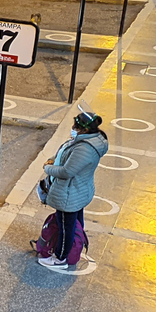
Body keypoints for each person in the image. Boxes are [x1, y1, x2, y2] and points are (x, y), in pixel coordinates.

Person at [39, 111, 108, 268]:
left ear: (84, 130)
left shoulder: (84, 148)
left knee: (66, 227)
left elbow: (66, 172)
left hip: (69, 195)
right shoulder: (91, 140)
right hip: (79, 190)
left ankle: (60, 258)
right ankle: (75, 246)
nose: (72, 129)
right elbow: (66, 157)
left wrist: (48, 168)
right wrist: (54, 159)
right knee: (76, 223)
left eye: (76, 127)